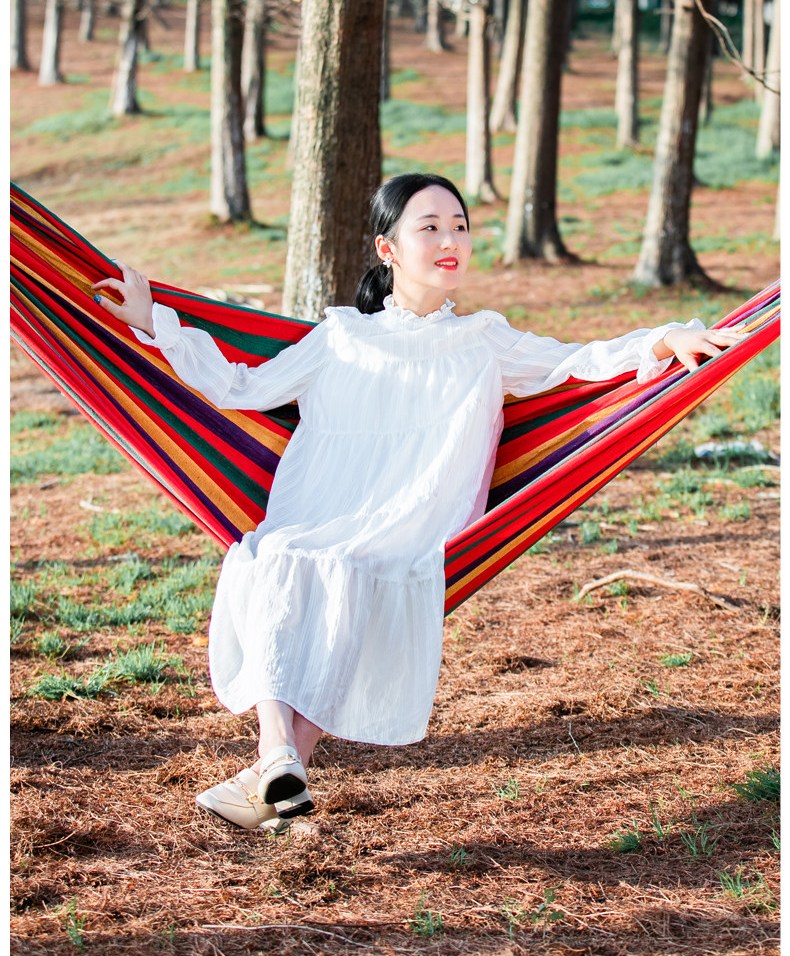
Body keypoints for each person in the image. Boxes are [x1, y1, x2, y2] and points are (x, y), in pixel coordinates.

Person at [91, 172, 744, 833]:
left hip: (422, 514)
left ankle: (274, 756)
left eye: (459, 226)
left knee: (358, 566)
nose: (449, 240)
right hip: (327, 501)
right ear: (388, 248)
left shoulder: (484, 339)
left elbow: (578, 361)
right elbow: (241, 387)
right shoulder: (342, 335)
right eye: (429, 227)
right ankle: (279, 762)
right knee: (276, 554)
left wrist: (664, 339)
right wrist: (154, 322)